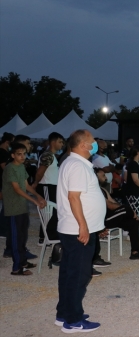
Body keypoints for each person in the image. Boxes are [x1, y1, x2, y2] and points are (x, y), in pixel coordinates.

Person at [56, 129, 105, 332]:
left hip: (74, 228)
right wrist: (83, 227)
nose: (95, 144)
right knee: (79, 275)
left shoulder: (74, 162)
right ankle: (73, 320)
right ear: (83, 144)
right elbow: (73, 197)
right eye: (92, 141)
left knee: (69, 272)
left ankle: (64, 312)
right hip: (78, 229)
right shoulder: (77, 165)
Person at [3, 142, 46, 276]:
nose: (22, 157)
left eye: (24, 154)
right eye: (19, 154)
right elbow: (17, 189)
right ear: (13, 155)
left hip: (22, 207)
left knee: (22, 236)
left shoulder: (21, 167)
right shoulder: (10, 168)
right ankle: (16, 268)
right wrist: (34, 200)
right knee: (16, 237)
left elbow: (26, 185)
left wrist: (38, 196)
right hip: (14, 207)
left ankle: (23, 261)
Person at [32, 132, 65, 244]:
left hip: (51, 186)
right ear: (53, 142)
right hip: (46, 186)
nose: (62, 144)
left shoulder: (51, 155)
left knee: (52, 211)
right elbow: (40, 171)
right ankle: (44, 237)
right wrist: (36, 183)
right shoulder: (48, 155)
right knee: (48, 211)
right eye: (60, 142)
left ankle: (49, 236)